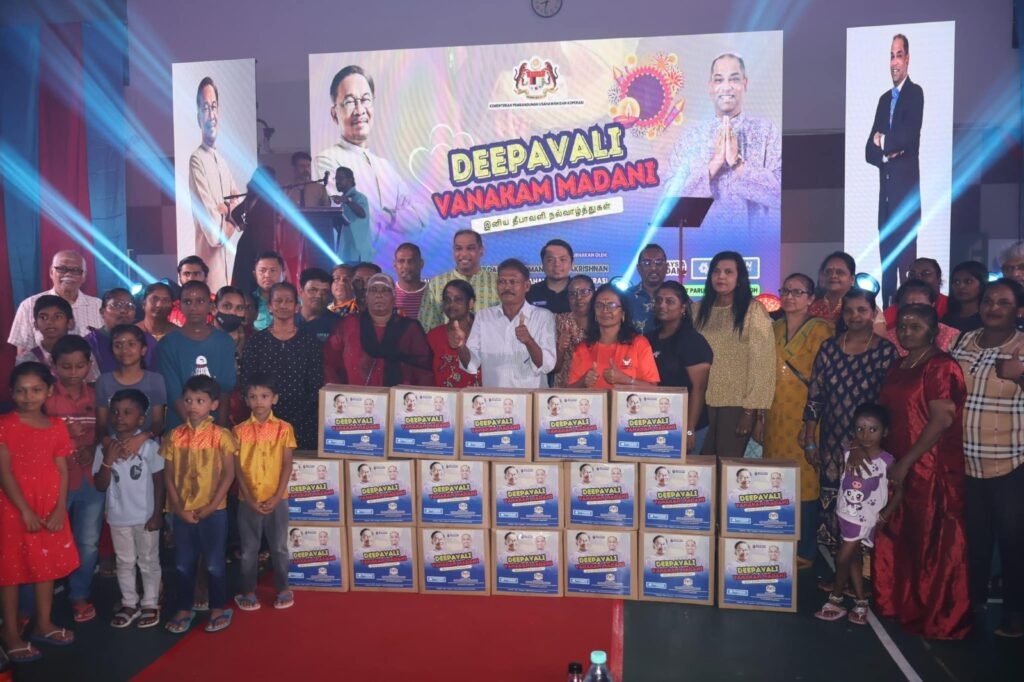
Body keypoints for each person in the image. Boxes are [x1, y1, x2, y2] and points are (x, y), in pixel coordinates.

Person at [876, 303, 971, 639]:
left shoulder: (941, 366)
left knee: (931, 540)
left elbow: (942, 419)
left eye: (915, 326)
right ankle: (903, 604)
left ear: (933, 331)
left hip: (931, 467)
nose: (906, 332)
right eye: (902, 326)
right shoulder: (900, 364)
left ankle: (936, 615)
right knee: (901, 534)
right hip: (899, 463)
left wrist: (908, 461)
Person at [950, 278, 1024, 637]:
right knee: (974, 540)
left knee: (1014, 543)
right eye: (988, 301)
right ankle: (973, 603)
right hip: (967, 461)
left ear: (1019, 310)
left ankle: (1015, 614)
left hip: (1012, 462)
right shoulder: (965, 341)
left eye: (1003, 302)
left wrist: (1021, 375)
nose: (993, 307)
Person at [803, 288, 898, 550]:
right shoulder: (829, 348)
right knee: (832, 497)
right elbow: (816, 396)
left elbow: (887, 404)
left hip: (868, 443)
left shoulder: (885, 352)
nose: (855, 316)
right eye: (849, 311)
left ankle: (862, 567)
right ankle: (835, 565)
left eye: (861, 310)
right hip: (832, 440)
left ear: (873, 313)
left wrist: (861, 443)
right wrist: (810, 437)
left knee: (862, 501)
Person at [669, 53, 781, 272]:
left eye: (734, 79)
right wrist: (714, 165)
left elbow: (778, 195)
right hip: (700, 258)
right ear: (710, 87)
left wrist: (737, 164)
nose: (726, 86)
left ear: (745, 84)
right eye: (719, 80)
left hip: (756, 254)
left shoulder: (766, 131)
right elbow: (671, 205)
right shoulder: (691, 136)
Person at [0, 363, 80, 662]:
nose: (28, 397)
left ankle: (43, 623)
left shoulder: (57, 426)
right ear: (12, 392)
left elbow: (62, 469)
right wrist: (24, 510)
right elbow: (4, 471)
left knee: (46, 566)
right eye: (21, 391)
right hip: (13, 508)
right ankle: (10, 632)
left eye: (35, 390)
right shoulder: (5, 425)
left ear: (48, 391)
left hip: (48, 506)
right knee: (11, 571)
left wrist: (60, 508)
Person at [761, 273, 832, 568]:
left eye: (798, 292)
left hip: (806, 415)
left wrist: (811, 423)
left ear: (811, 298)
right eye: (786, 291)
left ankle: (806, 549)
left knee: (805, 481)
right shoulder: (773, 327)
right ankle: (779, 542)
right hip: (775, 414)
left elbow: (824, 378)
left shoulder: (821, 329)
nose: (790, 297)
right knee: (777, 478)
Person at [161, 375, 238, 635]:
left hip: (214, 511)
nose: (193, 405)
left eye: (200, 401)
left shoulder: (222, 436)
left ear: (214, 405)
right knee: (183, 563)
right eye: (188, 400)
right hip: (182, 511)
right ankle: (184, 608)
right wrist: (178, 508)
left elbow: (228, 475)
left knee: (214, 563)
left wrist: (212, 505)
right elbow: (168, 477)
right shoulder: (174, 436)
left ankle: (217, 608)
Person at [314, 65, 423, 240]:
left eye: (365, 99)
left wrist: (383, 217)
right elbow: (353, 220)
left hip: (396, 257)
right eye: (349, 102)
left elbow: (421, 218)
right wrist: (397, 219)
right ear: (334, 114)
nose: (359, 110)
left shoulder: (385, 166)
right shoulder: (327, 160)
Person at [815, 404, 900, 625]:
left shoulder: (886, 461)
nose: (865, 435)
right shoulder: (849, 452)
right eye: (860, 429)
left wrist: (887, 513)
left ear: (885, 432)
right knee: (853, 558)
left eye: (873, 429)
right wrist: (854, 448)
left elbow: (901, 488)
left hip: (865, 518)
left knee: (842, 557)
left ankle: (835, 598)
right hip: (845, 514)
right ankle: (861, 601)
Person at [92, 389, 165, 629]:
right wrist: (108, 459)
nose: (119, 417)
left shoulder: (149, 447)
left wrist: (157, 514)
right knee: (124, 562)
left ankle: (150, 602)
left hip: (145, 516)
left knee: (148, 560)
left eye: (127, 412)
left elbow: (159, 480)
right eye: (115, 412)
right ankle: (129, 602)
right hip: (118, 517)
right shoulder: (104, 448)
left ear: (140, 419)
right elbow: (100, 485)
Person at [692, 251, 775, 457]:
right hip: (701, 401)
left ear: (740, 278)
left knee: (727, 465)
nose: (721, 276)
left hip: (737, 403)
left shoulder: (753, 310)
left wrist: (750, 411)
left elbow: (762, 363)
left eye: (728, 272)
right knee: (701, 465)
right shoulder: (697, 310)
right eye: (716, 271)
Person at [866, 35, 924, 307]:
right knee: (887, 268)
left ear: (907, 59)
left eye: (899, 55)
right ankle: (888, 312)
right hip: (886, 201)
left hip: (906, 198)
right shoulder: (883, 100)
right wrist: (888, 151)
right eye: (891, 55)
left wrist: (885, 142)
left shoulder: (915, 93)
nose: (894, 62)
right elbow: (869, 151)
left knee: (906, 268)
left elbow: (906, 138)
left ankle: (910, 310)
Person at [45, 335, 100, 624]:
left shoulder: (96, 395)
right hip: (53, 480)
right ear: (53, 365)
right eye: (66, 366)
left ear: (89, 365)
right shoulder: (45, 397)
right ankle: (30, 605)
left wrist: (92, 448)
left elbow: (105, 431)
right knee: (46, 539)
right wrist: (63, 437)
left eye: (80, 366)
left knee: (88, 541)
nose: (74, 372)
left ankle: (79, 594)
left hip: (89, 478)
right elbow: (35, 435)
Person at [232, 372, 297, 612]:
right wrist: (249, 498)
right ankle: (248, 591)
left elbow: (287, 464)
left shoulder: (284, 429)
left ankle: (283, 589)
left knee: (279, 547)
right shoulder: (238, 431)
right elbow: (237, 469)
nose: (259, 401)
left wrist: (277, 496)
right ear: (246, 400)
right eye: (253, 396)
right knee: (249, 549)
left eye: (264, 396)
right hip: (247, 500)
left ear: (274, 398)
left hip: (277, 499)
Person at [240, 283, 323, 450]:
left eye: (288, 301)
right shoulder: (256, 342)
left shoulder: (310, 341)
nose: (283, 305)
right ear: (270, 306)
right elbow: (247, 381)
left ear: (297, 306)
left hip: (303, 420)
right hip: (264, 416)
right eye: (278, 301)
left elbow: (316, 383)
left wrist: (305, 412)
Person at [454, 259, 555, 389]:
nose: (507, 287)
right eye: (502, 282)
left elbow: (547, 365)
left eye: (513, 282)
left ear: (527, 286)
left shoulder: (543, 317)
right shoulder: (483, 317)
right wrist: (461, 346)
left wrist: (529, 342)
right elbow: (472, 364)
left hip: (531, 397)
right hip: (494, 398)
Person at [323, 273, 433, 386]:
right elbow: (329, 361)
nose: (379, 295)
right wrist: (337, 391)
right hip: (354, 395)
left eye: (385, 290)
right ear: (366, 297)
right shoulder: (349, 324)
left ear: (394, 297)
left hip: (398, 395)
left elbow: (423, 370)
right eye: (373, 290)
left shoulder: (410, 328)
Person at [158, 280, 238, 430]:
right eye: (187, 302)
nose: (193, 307)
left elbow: (225, 391)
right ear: (179, 305)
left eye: (200, 301)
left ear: (210, 305)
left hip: (215, 428)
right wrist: (196, 430)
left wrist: (219, 431)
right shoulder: (167, 344)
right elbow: (173, 393)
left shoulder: (224, 342)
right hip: (180, 429)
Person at [646, 281, 713, 453]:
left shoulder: (692, 341)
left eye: (670, 301)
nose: (662, 305)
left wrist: (689, 429)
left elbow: (699, 389)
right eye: (659, 300)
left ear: (683, 307)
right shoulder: (648, 338)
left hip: (687, 424)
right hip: (655, 422)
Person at [189, 77, 242, 291]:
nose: (211, 115)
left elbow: (239, 205)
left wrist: (226, 209)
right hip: (210, 280)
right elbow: (214, 236)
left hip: (229, 273)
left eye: (214, 107)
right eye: (205, 108)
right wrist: (232, 215)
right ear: (198, 117)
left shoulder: (222, 161)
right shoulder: (196, 160)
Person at [8, 250, 103, 355]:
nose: (68, 274)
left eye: (76, 270)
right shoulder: (29, 305)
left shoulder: (98, 306)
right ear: (51, 272)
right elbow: (24, 355)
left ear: (84, 276)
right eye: (62, 269)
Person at [568, 284, 659, 389]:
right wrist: (583, 382)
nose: (605, 310)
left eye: (612, 305)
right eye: (599, 305)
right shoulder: (583, 347)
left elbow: (653, 388)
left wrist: (626, 380)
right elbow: (570, 391)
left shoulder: (639, 343)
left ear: (623, 312)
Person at [95, 324, 167, 449]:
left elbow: (158, 422)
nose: (124, 350)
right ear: (112, 350)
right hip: (113, 448)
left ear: (143, 350)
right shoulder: (103, 382)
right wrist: (109, 444)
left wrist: (141, 438)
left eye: (131, 344)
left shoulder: (155, 380)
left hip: (147, 447)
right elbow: (101, 424)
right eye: (118, 345)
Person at [419, 230, 499, 332]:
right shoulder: (436, 284)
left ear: (481, 250)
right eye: (459, 249)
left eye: (470, 248)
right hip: (448, 342)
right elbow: (427, 327)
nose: (464, 254)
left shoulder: (497, 282)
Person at [85, 288, 156, 376]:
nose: (123, 311)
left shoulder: (147, 341)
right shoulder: (89, 343)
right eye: (116, 305)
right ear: (102, 312)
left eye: (129, 306)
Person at [425, 280, 481, 388]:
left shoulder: (483, 333)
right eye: (447, 300)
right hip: (442, 398)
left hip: (479, 397)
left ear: (470, 303)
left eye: (458, 299)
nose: (451, 304)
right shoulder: (433, 336)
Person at [883, 279, 959, 355]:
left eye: (919, 306)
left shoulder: (951, 336)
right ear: (898, 307)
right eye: (906, 306)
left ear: (932, 305)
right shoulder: (889, 339)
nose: (913, 311)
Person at [553, 275, 594, 388]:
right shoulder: (559, 321)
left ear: (594, 294)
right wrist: (561, 348)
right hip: (566, 387)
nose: (579, 298)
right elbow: (554, 368)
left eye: (584, 292)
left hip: (597, 385)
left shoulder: (602, 320)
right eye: (573, 294)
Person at [14, 295, 74, 371]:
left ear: (70, 323)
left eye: (57, 317)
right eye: (43, 317)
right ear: (36, 325)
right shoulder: (27, 360)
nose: (49, 321)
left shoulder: (81, 354)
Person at [882, 258, 948, 327]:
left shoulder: (951, 305)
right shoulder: (892, 313)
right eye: (912, 274)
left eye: (926, 273)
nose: (917, 277)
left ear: (939, 278)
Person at [328, 166, 371, 263]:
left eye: (340, 179)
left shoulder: (359, 197)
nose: (337, 182)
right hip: (345, 252)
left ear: (350, 180)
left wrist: (347, 200)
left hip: (357, 253)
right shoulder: (343, 201)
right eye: (336, 179)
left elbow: (362, 213)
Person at [625, 244, 669, 334]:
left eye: (658, 263)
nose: (653, 268)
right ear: (638, 268)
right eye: (647, 263)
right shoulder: (625, 297)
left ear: (666, 267)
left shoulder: (677, 297)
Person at [808, 252, 857, 325]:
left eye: (840, 272)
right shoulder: (811, 308)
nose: (833, 276)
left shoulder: (860, 307)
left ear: (852, 279)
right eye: (828, 272)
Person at [527, 239, 574, 314]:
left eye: (562, 259)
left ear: (572, 264)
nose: (557, 264)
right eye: (550, 260)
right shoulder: (529, 293)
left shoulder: (581, 293)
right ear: (542, 264)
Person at [167, 256, 214, 327]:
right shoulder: (170, 305)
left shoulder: (216, 303)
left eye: (196, 274)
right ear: (180, 278)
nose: (191, 278)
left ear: (206, 277)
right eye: (186, 274)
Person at [941, 260, 987, 333]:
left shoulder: (987, 319)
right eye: (956, 282)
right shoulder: (946, 320)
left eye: (968, 281)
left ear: (981, 284)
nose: (961, 286)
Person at [297, 268, 340, 343]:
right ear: (300, 292)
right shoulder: (286, 320)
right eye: (313, 290)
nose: (319, 296)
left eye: (324, 291)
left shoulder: (339, 324)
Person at [249, 251, 285, 331]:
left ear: (283, 273)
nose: (267, 275)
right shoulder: (248, 301)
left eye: (273, 270)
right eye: (262, 270)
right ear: (255, 275)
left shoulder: (294, 302)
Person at [393, 243, 428, 319]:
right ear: (394, 264)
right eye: (401, 261)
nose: (406, 266)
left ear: (421, 263)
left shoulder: (432, 293)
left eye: (411, 261)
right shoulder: (389, 294)